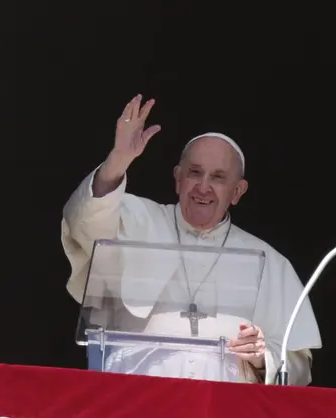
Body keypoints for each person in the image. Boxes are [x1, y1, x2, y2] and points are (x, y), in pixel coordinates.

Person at [61, 94, 322, 385]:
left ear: (237, 191)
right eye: (195, 173)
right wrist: (118, 159)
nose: (203, 187)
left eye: (218, 177)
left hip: (222, 407)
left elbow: (298, 367)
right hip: (137, 397)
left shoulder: (270, 262)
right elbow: (83, 222)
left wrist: (263, 358)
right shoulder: (136, 219)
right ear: (178, 178)